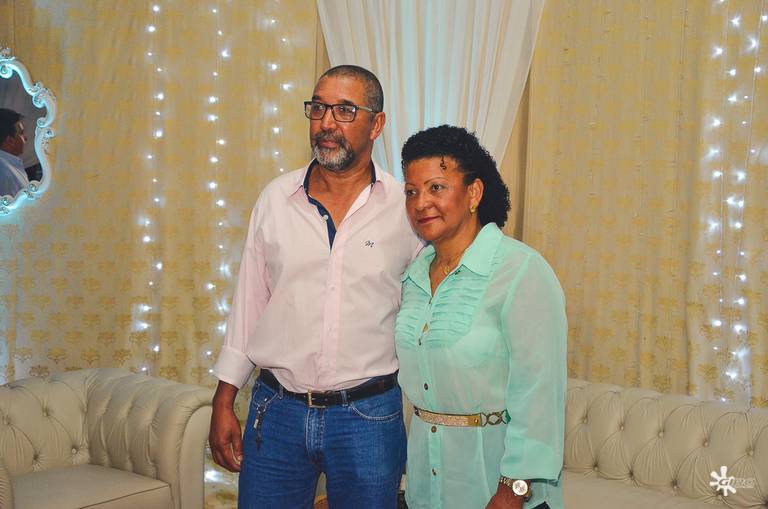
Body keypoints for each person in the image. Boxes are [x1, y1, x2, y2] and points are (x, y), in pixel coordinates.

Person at [209, 65, 421, 509]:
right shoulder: (275, 199)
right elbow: (249, 305)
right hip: (277, 411)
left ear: (376, 124)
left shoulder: (405, 211)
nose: (327, 123)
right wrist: (224, 400)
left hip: (368, 417)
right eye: (319, 108)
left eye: (345, 110)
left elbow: (423, 314)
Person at [396, 125, 567, 509]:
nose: (421, 203)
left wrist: (513, 490)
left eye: (436, 187)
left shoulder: (521, 271)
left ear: (473, 193)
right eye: (411, 191)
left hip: (497, 486)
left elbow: (540, 395)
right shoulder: (414, 276)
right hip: (425, 484)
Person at [0, 108, 29, 197]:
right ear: (9, 140)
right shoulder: (6, 174)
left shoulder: (7, 167)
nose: (25, 138)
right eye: (21, 133)